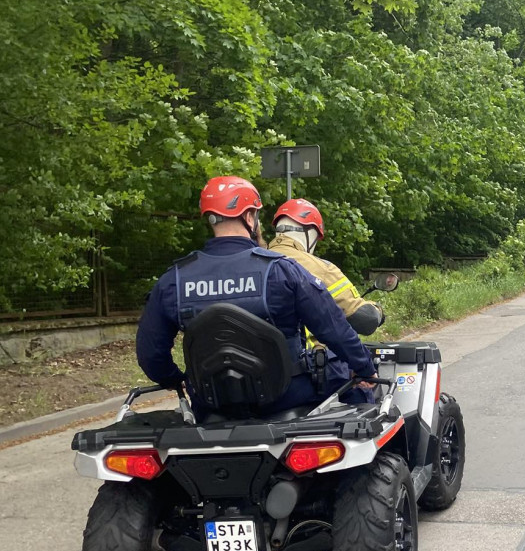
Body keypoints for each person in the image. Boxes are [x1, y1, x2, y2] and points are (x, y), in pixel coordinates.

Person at [136, 176, 377, 416]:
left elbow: (151, 353)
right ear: (250, 216)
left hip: (211, 402)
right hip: (287, 396)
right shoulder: (281, 271)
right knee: (360, 394)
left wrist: (176, 379)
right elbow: (332, 327)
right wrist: (364, 367)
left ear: (210, 218)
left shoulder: (174, 280)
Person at [267, 198, 383, 403]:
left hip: (258, 379)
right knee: (365, 392)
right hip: (310, 374)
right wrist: (377, 311)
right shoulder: (319, 268)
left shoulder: (254, 264)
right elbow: (363, 319)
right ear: (309, 234)